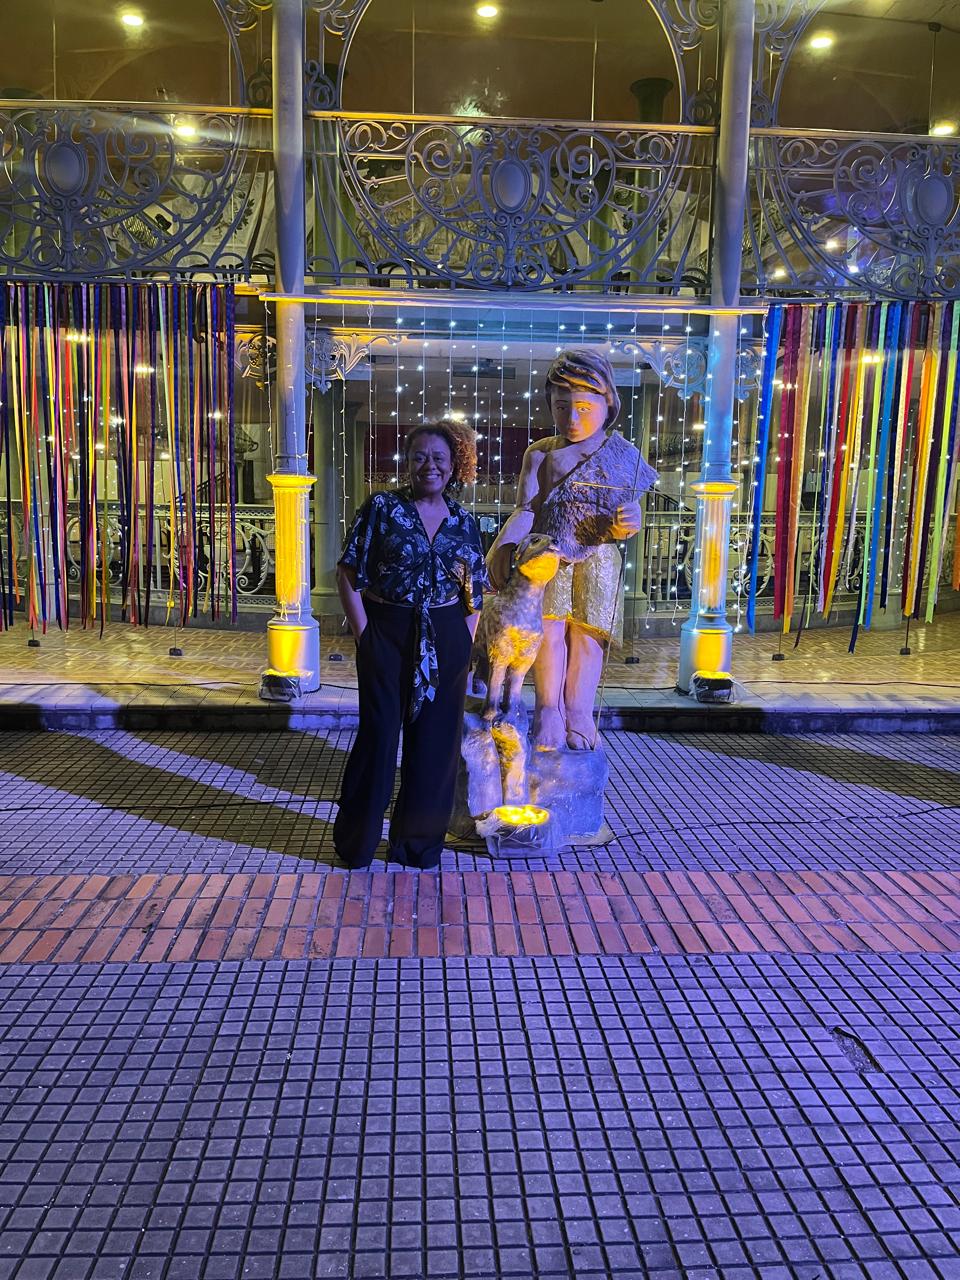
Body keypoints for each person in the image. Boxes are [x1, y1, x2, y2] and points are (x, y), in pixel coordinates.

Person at [333, 418, 488, 870]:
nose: (429, 466)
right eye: (419, 456)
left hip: (447, 635)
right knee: (378, 740)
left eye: (438, 458)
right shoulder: (382, 508)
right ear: (408, 462)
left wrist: (464, 644)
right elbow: (348, 573)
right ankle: (357, 844)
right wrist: (366, 635)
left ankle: (416, 846)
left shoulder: (464, 521)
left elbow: (474, 592)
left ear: (454, 464)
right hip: (388, 630)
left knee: (436, 747)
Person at [487, 349, 657, 752]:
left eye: (584, 408)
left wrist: (629, 521)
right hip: (550, 552)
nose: (572, 420)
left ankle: (578, 709)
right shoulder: (540, 453)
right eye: (562, 408)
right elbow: (527, 508)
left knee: (588, 633)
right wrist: (503, 545)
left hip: (599, 553)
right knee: (548, 628)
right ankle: (548, 708)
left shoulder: (624, 458)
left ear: (608, 403)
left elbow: (628, 514)